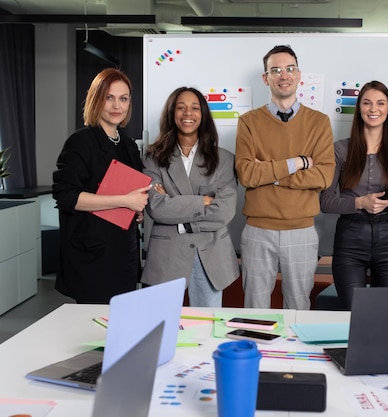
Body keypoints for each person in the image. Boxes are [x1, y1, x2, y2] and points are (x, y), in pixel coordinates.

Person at [235, 45, 335, 310]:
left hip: (301, 230)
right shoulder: (248, 122)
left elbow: (324, 175)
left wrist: (271, 174)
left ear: (299, 75)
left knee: (298, 308)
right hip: (258, 229)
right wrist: (298, 163)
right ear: (265, 78)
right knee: (254, 308)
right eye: (275, 70)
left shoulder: (319, 122)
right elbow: (246, 174)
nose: (284, 75)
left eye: (289, 69)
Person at [320, 81, 388, 309]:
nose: (373, 109)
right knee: (353, 312)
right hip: (350, 239)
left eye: (380, 103)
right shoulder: (339, 149)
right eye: (367, 103)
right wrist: (360, 202)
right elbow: (326, 201)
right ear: (359, 109)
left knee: (385, 314)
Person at [52, 68, 150, 304]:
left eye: (123, 99)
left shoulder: (128, 145)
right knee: (93, 326)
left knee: (119, 323)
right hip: (91, 254)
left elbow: (134, 191)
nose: (117, 105)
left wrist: (138, 210)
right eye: (109, 97)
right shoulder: (80, 141)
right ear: (97, 99)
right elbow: (67, 197)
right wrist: (124, 200)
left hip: (123, 251)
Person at [141, 87, 239, 307]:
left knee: (206, 327)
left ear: (203, 114)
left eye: (195, 108)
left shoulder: (224, 159)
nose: (188, 113)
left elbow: (224, 212)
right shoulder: (153, 158)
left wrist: (176, 208)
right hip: (167, 254)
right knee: (163, 327)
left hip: (211, 255)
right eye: (181, 107)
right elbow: (156, 207)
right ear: (171, 113)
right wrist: (202, 201)